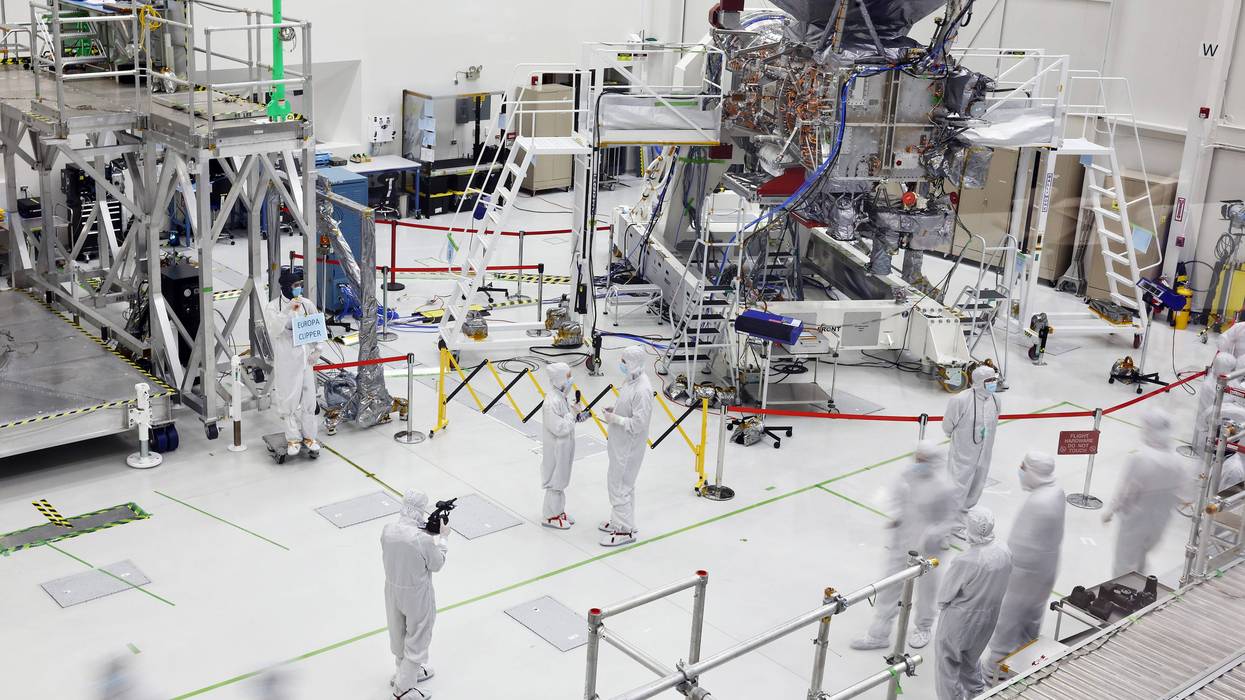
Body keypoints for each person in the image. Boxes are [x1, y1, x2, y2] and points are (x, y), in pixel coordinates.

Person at [850, 440, 957, 652]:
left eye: (923, 459)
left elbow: (950, 520)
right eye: (917, 458)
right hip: (902, 541)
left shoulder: (944, 488)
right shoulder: (907, 475)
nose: (918, 462)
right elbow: (897, 498)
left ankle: (924, 627)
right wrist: (897, 517)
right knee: (890, 586)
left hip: (928, 550)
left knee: (927, 591)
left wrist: (932, 534)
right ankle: (879, 633)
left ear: (933, 462)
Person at [985, 452, 1066, 673]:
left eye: (1023, 467)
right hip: (1046, 571)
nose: (1020, 471)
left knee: (1008, 621)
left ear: (1034, 471)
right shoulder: (1056, 492)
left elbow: (1020, 548)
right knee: (1031, 619)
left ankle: (995, 672)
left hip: (1025, 576)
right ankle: (1025, 663)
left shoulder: (1039, 502)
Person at [935, 508, 1012, 700]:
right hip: (989, 616)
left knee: (948, 664)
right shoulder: (1004, 550)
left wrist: (942, 605)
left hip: (960, 620)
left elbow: (945, 595)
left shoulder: (967, 560)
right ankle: (977, 692)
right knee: (971, 658)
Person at [382, 491, 448, 699]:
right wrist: (442, 538)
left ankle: (402, 673)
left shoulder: (387, 530)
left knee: (398, 632)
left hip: (392, 589)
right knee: (418, 635)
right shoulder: (422, 539)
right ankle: (404, 689)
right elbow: (437, 564)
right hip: (417, 593)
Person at [1104, 410, 1185, 578]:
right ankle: (1139, 595)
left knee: (1124, 563)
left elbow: (1126, 492)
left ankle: (1120, 597)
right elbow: (1183, 494)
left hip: (1135, 520)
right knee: (1141, 559)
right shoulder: (1176, 460)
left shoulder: (1141, 458)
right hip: (1160, 521)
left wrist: (1110, 511)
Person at [265, 267, 325, 457]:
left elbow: (317, 327)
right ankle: (293, 439)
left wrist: (318, 349)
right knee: (288, 401)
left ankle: (310, 437)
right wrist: (286, 311)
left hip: (306, 360)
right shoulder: (273, 307)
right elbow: (274, 330)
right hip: (286, 361)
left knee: (309, 399)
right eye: (295, 285)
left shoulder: (306, 304)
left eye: (300, 285)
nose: (298, 288)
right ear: (284, 288)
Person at [599, 346, 654, 547]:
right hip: (620, 443)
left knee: (619, 485)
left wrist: (615, 419)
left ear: (632, 363)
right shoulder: (632, 380)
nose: (621, 364)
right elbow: (629, 409)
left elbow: (638, 424)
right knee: (625, 484)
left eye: (624, 361)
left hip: (628, 446)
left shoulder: (643, 389)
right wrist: (616, 411)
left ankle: (623, 531)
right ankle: (623, 520)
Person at [942, 365, 1002, 536]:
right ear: (978, 382)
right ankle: (951, 525)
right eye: (989, 380)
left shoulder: (996, 400)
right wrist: (955, 440)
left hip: (984, 453)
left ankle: (962, 517)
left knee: (976, 486)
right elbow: (948, 425)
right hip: (963, 453)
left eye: (994, 379)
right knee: (957, 487)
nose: (993, 383)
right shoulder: (960, 400)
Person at [540, 362, 590, 529]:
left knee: (561, 480)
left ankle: (558, 511)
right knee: (556, 481)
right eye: (568, 377)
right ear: (560, 379)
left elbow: (567, 419)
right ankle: (550, 516)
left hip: (564, 446)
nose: (570, 380)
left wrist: (577, 414)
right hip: (556, 448)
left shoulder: (561, 397)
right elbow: (559, 427)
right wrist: (571, 416)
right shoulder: (551, 402)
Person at [1193, 353, 1238, 456]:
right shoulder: (1211, 385)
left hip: (1220, 428)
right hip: (1212, 430)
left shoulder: (1225, 379)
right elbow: (1222, 409)